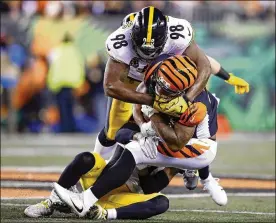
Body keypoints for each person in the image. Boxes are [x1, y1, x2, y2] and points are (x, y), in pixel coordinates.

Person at [53, 54, 228, 217]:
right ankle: (59, 201)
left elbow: (177, 143)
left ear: (181, 92)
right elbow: (131, 118)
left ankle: (203, 177)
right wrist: (143, 127)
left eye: (165, 88)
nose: (158, 90)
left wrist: (153, 117)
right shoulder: (160, 79)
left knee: (138, 151)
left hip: (199, 147)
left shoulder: (196, 106)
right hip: (174, 140)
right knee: (132, 147)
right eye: (159, 83)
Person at [94, 6, 249, 163]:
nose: (148, 55)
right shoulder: (120, 43)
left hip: (166, 84)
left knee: (188, 115)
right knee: (113, 130)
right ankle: (96, 161)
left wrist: (189, 98)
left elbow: (204, 64)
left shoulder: (178, 37)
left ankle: (190, 169)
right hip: (132, 80)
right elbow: (111, 86)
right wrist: (151, 101)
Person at [24, 137, 181, 220]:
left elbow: (150, 187)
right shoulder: (143, 125)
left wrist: (143, 166)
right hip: (101, 182)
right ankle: (52, 201)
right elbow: (115, 142)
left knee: (162, 203)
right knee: (86, 158)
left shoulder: (182, 151)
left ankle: (102, 214)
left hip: (123, 196)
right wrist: (135, 137)